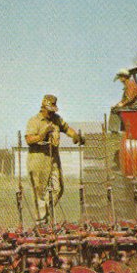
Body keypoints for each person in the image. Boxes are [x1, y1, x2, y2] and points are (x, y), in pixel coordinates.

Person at [25, 94, 85, 226]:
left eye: (53, 110)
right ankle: (41, 220)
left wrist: (75, 135)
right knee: (39, 190)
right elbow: (28, 139)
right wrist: (42, 135)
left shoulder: (56, 119)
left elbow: (66, 128)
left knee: (58, 188)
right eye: (50, 110)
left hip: (53, 157)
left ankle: (44, 212)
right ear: (43, 108)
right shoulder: (34, 121)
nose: (52, 113)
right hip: (38, 159)